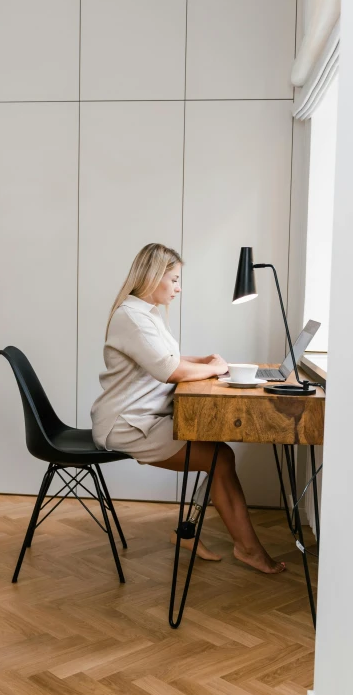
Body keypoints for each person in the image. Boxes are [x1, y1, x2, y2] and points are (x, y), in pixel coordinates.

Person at [91, 243, 285, 574]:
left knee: (215, 449)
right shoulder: (133, 318)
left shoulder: (145, 313)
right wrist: (213, 369)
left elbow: (167, 359)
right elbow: (170, 371)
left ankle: (188, 533)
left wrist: (205, 360)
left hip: (144, 418)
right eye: (175, 279)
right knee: (219, 457)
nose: (179, 288)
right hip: (128, 425)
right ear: (153, 277)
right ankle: (248, 550)